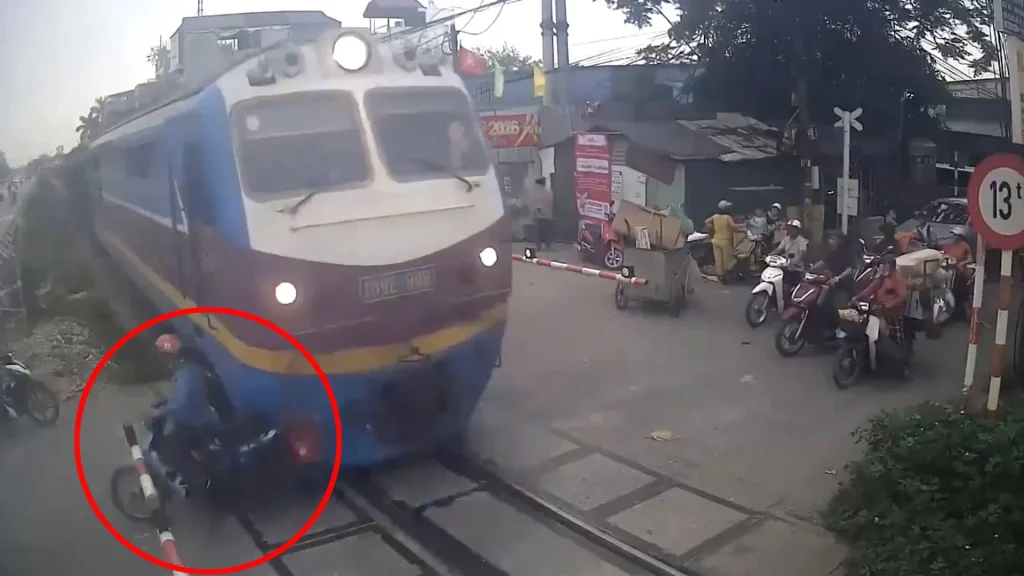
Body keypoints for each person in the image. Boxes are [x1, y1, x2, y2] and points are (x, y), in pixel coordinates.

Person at [150, 333, 222, 494]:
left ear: (167, 355)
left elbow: (184, 402)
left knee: (168, 450)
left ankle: (200, 482)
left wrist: (162, 410)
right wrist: (168, 403)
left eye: (160, 354)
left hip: (199, 422)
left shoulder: (185, 371)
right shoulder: (190, 366)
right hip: (205, 416)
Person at [853, 251, 910, 366]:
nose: (882, 267)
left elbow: (903, 296)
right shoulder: (881, 278)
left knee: (894, 337)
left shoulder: (898, 279)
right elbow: (870, 289)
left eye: (885, 265)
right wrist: (857, 297)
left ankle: (902, 361)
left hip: (893, 312)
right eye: (882, 265)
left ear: (892, 267)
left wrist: (890, 303)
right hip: (878, 309)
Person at [705, 200, 743, 279]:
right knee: (727, 260)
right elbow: (733, 227)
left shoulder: (715, 216)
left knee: (718, 259)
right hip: (725, 241)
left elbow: (706, 222)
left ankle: (720, 275)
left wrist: (712, 228)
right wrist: (743, 225)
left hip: (716, 240)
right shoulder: (727, 217)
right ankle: (726, 274)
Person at [529, 177, 554, 251]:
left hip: (539, 216)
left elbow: (534, 205)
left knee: (538, 232)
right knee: (547, 232)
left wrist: (533, 213)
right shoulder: (549, 192)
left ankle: (539, 246)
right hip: (547, 215)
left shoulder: (535, 193)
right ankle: (547, 246)